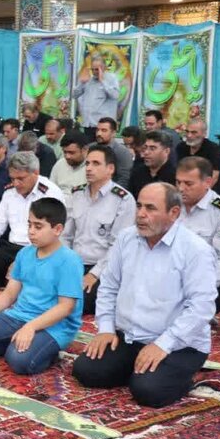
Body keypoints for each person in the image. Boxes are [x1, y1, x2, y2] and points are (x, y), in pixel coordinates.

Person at [72, 183, 216, 408]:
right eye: (139, 206)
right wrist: (106, 329)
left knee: (148, 391)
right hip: (131, 336)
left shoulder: (195, 249)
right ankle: (139, 369)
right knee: (86, 371)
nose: (140, 214)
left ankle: (181, 377)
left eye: (150, 208)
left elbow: (201, 308)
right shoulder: (126, 238)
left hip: (179, 344)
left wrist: (163, 345)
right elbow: (108, 286)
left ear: (173, 213)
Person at [0, 198, 83, 374]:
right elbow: (10, 294)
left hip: (54, 326)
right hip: (19, 316)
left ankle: (41, 351)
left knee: (20, 361)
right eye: (29, 225)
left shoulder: (69, 260)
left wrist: (31, 327)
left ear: (57, 229)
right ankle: (20, 346)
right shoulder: (25, 253)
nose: (31, 232)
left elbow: (65, 307)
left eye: (38, 227)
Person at [0, 152, 65, 289]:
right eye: (12, 178)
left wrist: (25, 260)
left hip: (38, 249)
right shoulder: (10, 192)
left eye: (21, 178)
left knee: (32, 279)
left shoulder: (51, 193)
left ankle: (15, 279)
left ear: (36, 173)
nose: (16, 183)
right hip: (11, 247)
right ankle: (13, 279)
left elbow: (54, 234)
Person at [62, 145, 135, 315]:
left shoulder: (123, 199)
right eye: (87, 163)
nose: (89, 168)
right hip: (74, 264)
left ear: (110, 169)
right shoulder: (77, 193)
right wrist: (66, 265)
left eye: (96, 164)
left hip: (104, 268)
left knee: (74, 304)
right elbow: (66, 235)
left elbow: (118, 246)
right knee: (42, 291)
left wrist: (93, 275)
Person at [175, 156, 220, 313]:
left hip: (205, 284)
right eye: (178, 182)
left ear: (208, 183)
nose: (181, 188)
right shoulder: (171, 204)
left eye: (188, 184)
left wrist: (194, 287)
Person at [73, 56, 120, 136]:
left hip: (104, 126)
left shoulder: (111, 78)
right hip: (88, 124)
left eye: (97, 69)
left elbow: (115, 95)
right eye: (93, 69)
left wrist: (103, 81)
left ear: (104, 68)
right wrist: (82, 83)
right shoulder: (89, 79)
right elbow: (74, 95)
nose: (94, 72)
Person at [130, 130, 176, 198]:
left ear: (166, 151)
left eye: (152, 148)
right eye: (145, 148)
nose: (146, 152)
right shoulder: (137, 172)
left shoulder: (175, 176)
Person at [94, 118, 133, 188]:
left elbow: (124, 178)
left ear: (113, 133)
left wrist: (108, 192)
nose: (99, 133)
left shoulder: (122, 152)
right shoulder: (90, 148)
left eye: (104, 130)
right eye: (97, 130)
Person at [50, 133, 88, 199]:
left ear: (85, 150)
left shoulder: (92, 167)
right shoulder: (60, 164)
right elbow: (51, 189)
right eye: (65, 152)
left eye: (71, 153)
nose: (67, 156)